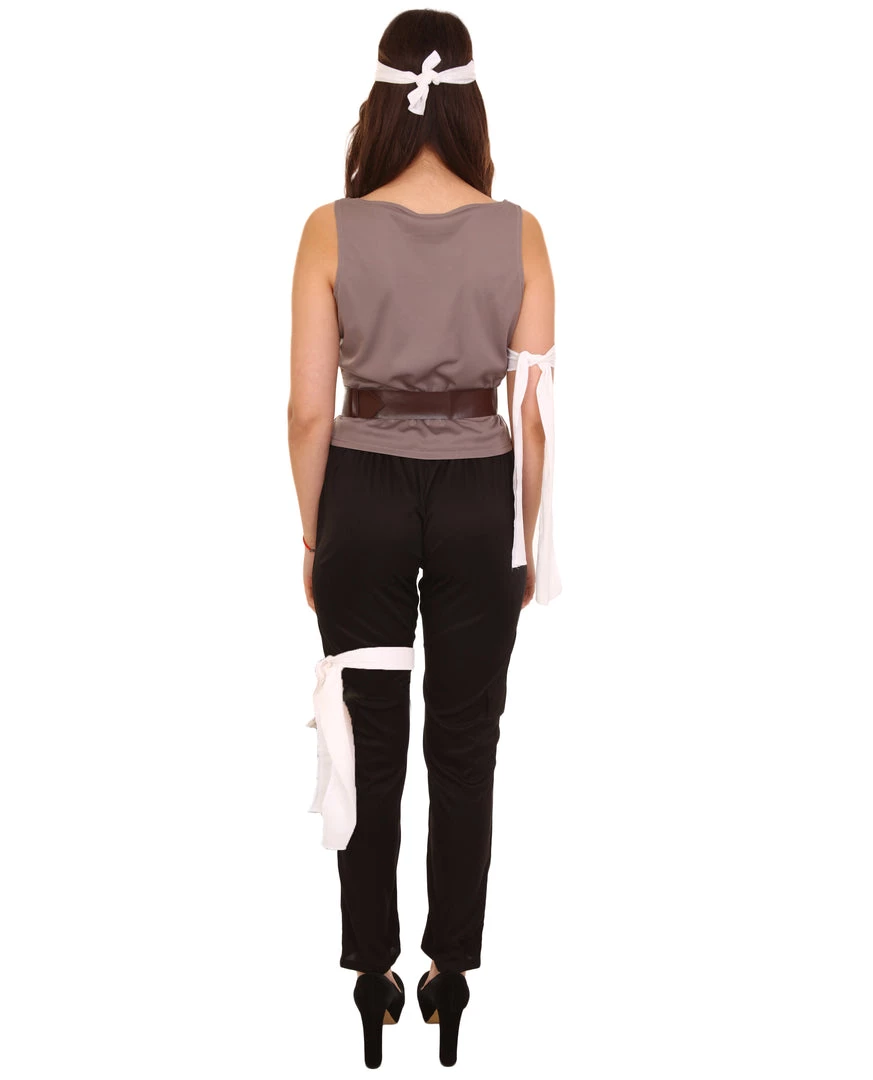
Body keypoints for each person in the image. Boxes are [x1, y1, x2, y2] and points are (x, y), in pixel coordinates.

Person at [287, 9, 561, 1069]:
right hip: (479, 491)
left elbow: (306, 412)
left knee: (363, 734)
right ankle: (451, 970)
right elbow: (534, 413)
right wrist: (525, 539)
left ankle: (371, 973)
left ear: (379, 101)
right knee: (465, 736)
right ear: (469, 103)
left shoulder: (330, 229)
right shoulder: (519, 232)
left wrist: (312, 535)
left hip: (359, 489)